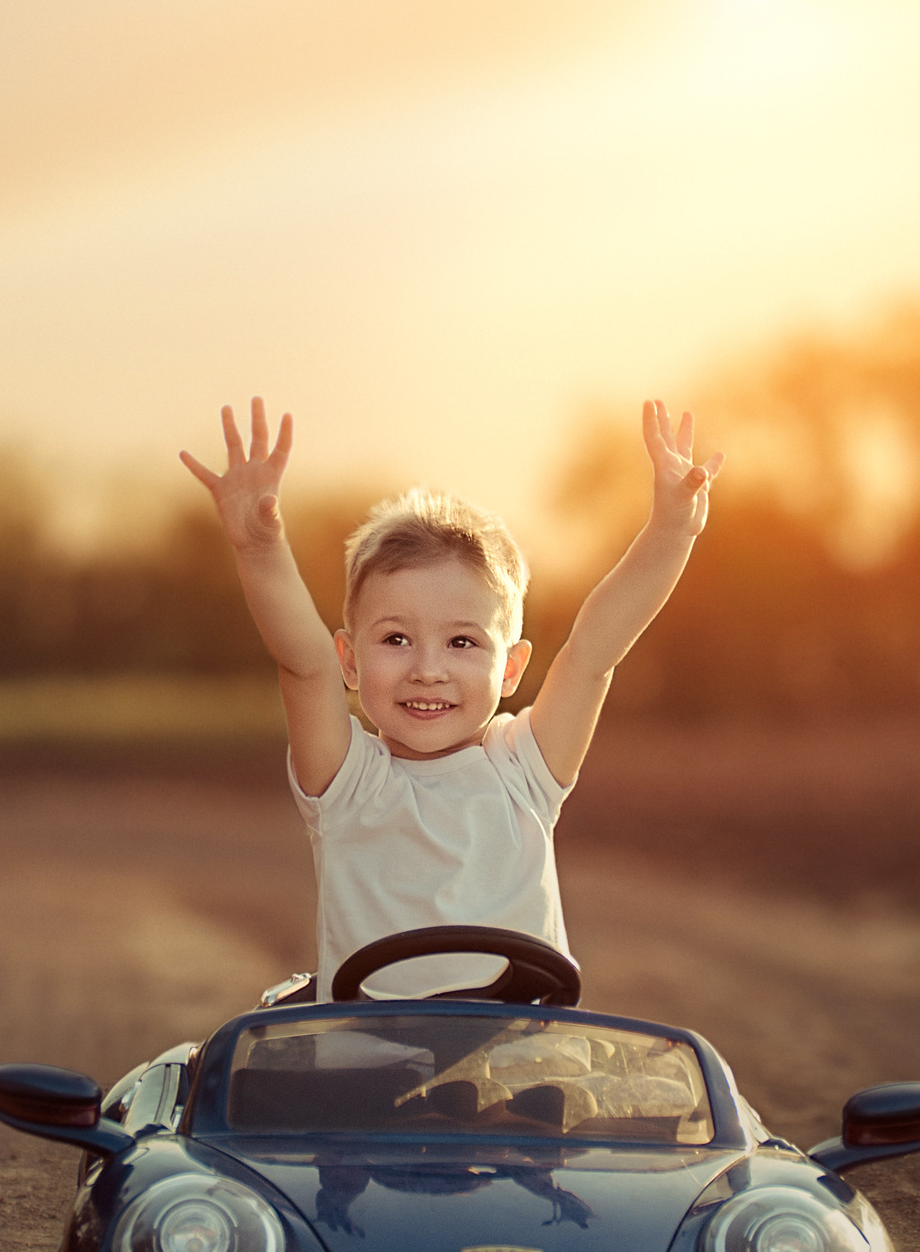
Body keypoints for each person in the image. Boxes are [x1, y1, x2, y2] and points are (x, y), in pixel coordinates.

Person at [180, 397, 720, 1000]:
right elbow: (302, 667)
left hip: (518, 1066)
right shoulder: (348, 782)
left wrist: (673, 530)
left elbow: (595, 651)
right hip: (364, 1065)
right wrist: (259, 546)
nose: (428, 669)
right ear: (350, 661)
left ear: (512, 666)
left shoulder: (523, 770)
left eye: (462, 641)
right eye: (396, 639)